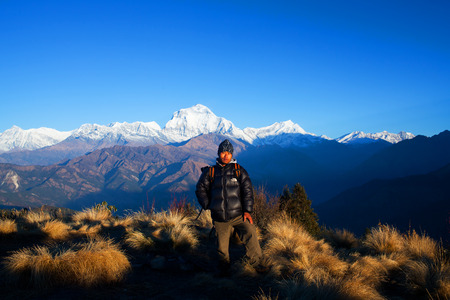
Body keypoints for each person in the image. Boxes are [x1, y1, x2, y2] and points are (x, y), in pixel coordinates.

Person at [195, 139, 263, 274]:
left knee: (250, 233)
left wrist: (247, 211)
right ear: (219, 153)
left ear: (232, 154)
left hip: (239, 215)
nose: (226, 155)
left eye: (229, 153)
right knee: (222, 248)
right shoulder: (211, 172)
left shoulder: (239, 171)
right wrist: (208, 204)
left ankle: (257, 264)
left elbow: (248, 191)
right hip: (220, 218)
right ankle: (224, 270)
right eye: (223, 152)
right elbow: (200, 189)